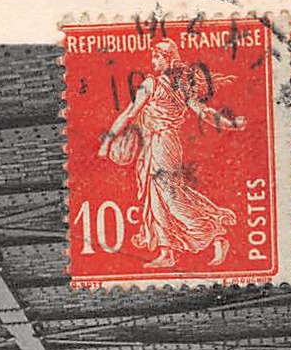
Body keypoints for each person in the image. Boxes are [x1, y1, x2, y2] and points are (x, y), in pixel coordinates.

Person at [98, 38, 243, 268]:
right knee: (156, 198)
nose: (153, 61)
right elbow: (203, 112)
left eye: (157, 57)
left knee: (170, 198)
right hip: (158, 144)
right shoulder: (179, 86)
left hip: (163, 145)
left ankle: (214, 233)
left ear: (167, 59)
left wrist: (107, 143)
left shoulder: (154, 84)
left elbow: (130, 113)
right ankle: (167, 253)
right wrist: (229, 123)